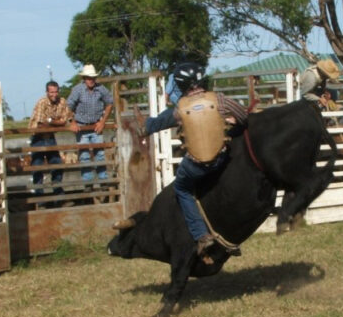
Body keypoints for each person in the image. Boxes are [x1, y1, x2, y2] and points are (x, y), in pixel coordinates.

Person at [139, 62, 249, 257]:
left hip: (196, 166)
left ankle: (201, 235)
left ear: (181, 84)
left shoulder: (179, 109)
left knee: (182, 189)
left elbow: (155, 125)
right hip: (221, 160)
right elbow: (243, 116)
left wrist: (146, 125)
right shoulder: (219, 100)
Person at [66, 64, 114, 182]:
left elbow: (110, 103)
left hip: (96, 125)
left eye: (92, 77)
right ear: (84, 78)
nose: (90, 80)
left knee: (100, 155)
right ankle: (88, 183)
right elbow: (68, 106)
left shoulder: (101, 89)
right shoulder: (78, 89)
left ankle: (103, 182)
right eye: (88, 77)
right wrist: (72, 122)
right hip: (81, 126)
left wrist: (103, 121)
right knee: (84, 156)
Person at [29, 80, 72, 197]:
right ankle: (40, 198)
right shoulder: (42, 102)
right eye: (51, 92)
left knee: (57, 164)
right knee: (37, 167)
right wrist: (57, 123)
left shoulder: (62, 102)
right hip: (38, 137)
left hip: (50, 136)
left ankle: (58, 195)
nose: (54, 94)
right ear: (47, 92)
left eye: (56, 92)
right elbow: (40, 124)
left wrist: (50, 121)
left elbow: (65, 120)